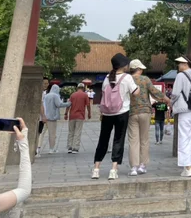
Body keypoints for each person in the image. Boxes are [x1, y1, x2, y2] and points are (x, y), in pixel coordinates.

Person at [92, 53, 139, 181]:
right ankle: (113, 170)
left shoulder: (107, 78)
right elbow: (135, 92)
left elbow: (103, 93)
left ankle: (96, 169)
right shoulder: (127, 77)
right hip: (121, 112)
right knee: (118, 139)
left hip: (107, 113)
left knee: (103, 140)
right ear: (124, 65)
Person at [127, 59, 169, 176]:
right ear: (139, 69)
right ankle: (142, 165)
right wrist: (167, 99)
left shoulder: (127, 79)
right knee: (144, 139)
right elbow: (154, 92)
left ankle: (133, 167)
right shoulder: (145, 79)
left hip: (132, 112)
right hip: (145, 111)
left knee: (133, 140)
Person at [42, 84, 70, 154]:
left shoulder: (46, 95)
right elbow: (59, 104)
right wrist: (68, 104)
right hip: (52, 117)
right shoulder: (55, 96)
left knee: (42, 133)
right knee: (52, 134)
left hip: (45, 116)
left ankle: (39, 148)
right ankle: (51, 148)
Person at [64, 83, 91, 154]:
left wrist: (66, 113)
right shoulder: (85, 95)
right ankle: (75, 148)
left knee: (71, 132)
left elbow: (68, 105)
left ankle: (69, 147)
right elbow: (88, 105)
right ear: (83, 88)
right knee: (77, 132)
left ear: (77, 88)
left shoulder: (72, 95)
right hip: (80, 116)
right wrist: (89, 113)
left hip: (72, 116)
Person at [36, 77, 50, 156]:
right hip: (40, 117)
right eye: (44, 83)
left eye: (47, 83)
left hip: (42, 117)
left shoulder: (44, 93)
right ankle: (37, 149)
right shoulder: (40, 93)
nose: (46, 85)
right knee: (39, 133)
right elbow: (40, 105)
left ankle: (37, 148)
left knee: (40, 132)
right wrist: (43, 115)